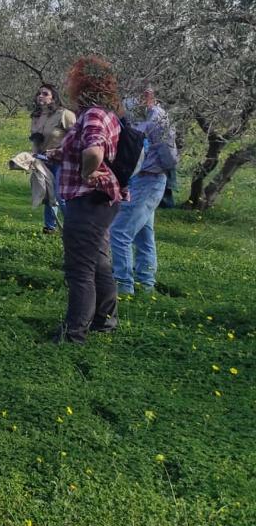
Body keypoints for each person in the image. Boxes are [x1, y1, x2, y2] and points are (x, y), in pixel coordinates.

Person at [49, 56, 124, 343]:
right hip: (102, 200)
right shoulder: (106, 113)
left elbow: (94, 151)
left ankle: (74, 333)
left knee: (80, 267)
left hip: (88, 199)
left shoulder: (92, 114)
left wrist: (86, 171)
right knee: (98, 261)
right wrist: (57, 155)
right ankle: (105, 320)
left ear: (83, 83)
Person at [110, 86, 177, 295]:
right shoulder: (135, 114)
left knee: (119, 232)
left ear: (149, 95)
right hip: (138, 179)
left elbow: (170, 156)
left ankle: (123, 287)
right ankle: (146, 285)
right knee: (144, 236)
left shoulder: (158, 118)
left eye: (140, 93)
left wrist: (156, 169)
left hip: (149, 180)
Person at [30, 83, 75, 234]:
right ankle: (50, 227)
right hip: (43, 160)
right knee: (48, 194)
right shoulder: (37, 116)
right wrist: (33, 156)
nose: (40, 96)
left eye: (45, 93)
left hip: (61, 160)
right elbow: (35, 138)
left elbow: (76, 136)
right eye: (39, 93)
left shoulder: (64, 114)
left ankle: (74, 227)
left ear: (53, 97)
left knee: (61, 196)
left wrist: (60, 150)